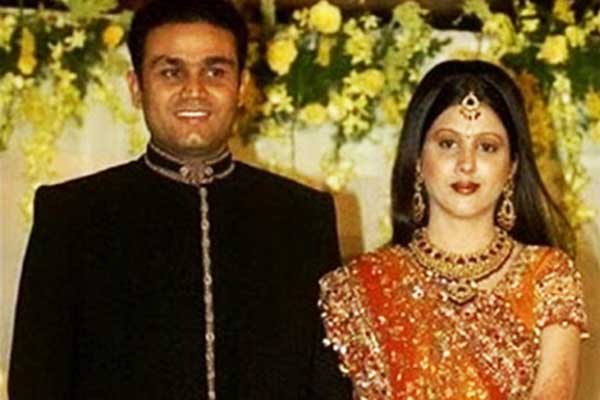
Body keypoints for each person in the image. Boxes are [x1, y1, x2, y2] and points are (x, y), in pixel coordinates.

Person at [9, 0, 351, 399]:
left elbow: (329, 383)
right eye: (171, 72)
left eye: (215, 71)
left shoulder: (301, 217)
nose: (194, 90)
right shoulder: (72, 215)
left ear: (242, 87)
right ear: (136, 87)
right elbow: (36, 384)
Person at [319, 60, 588, 399]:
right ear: (418, 158)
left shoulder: (547, 275)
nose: (466, 164)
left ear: (512, 167)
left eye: (487, 147)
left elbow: (556, 388)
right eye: (448, 143)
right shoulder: (360, 286)